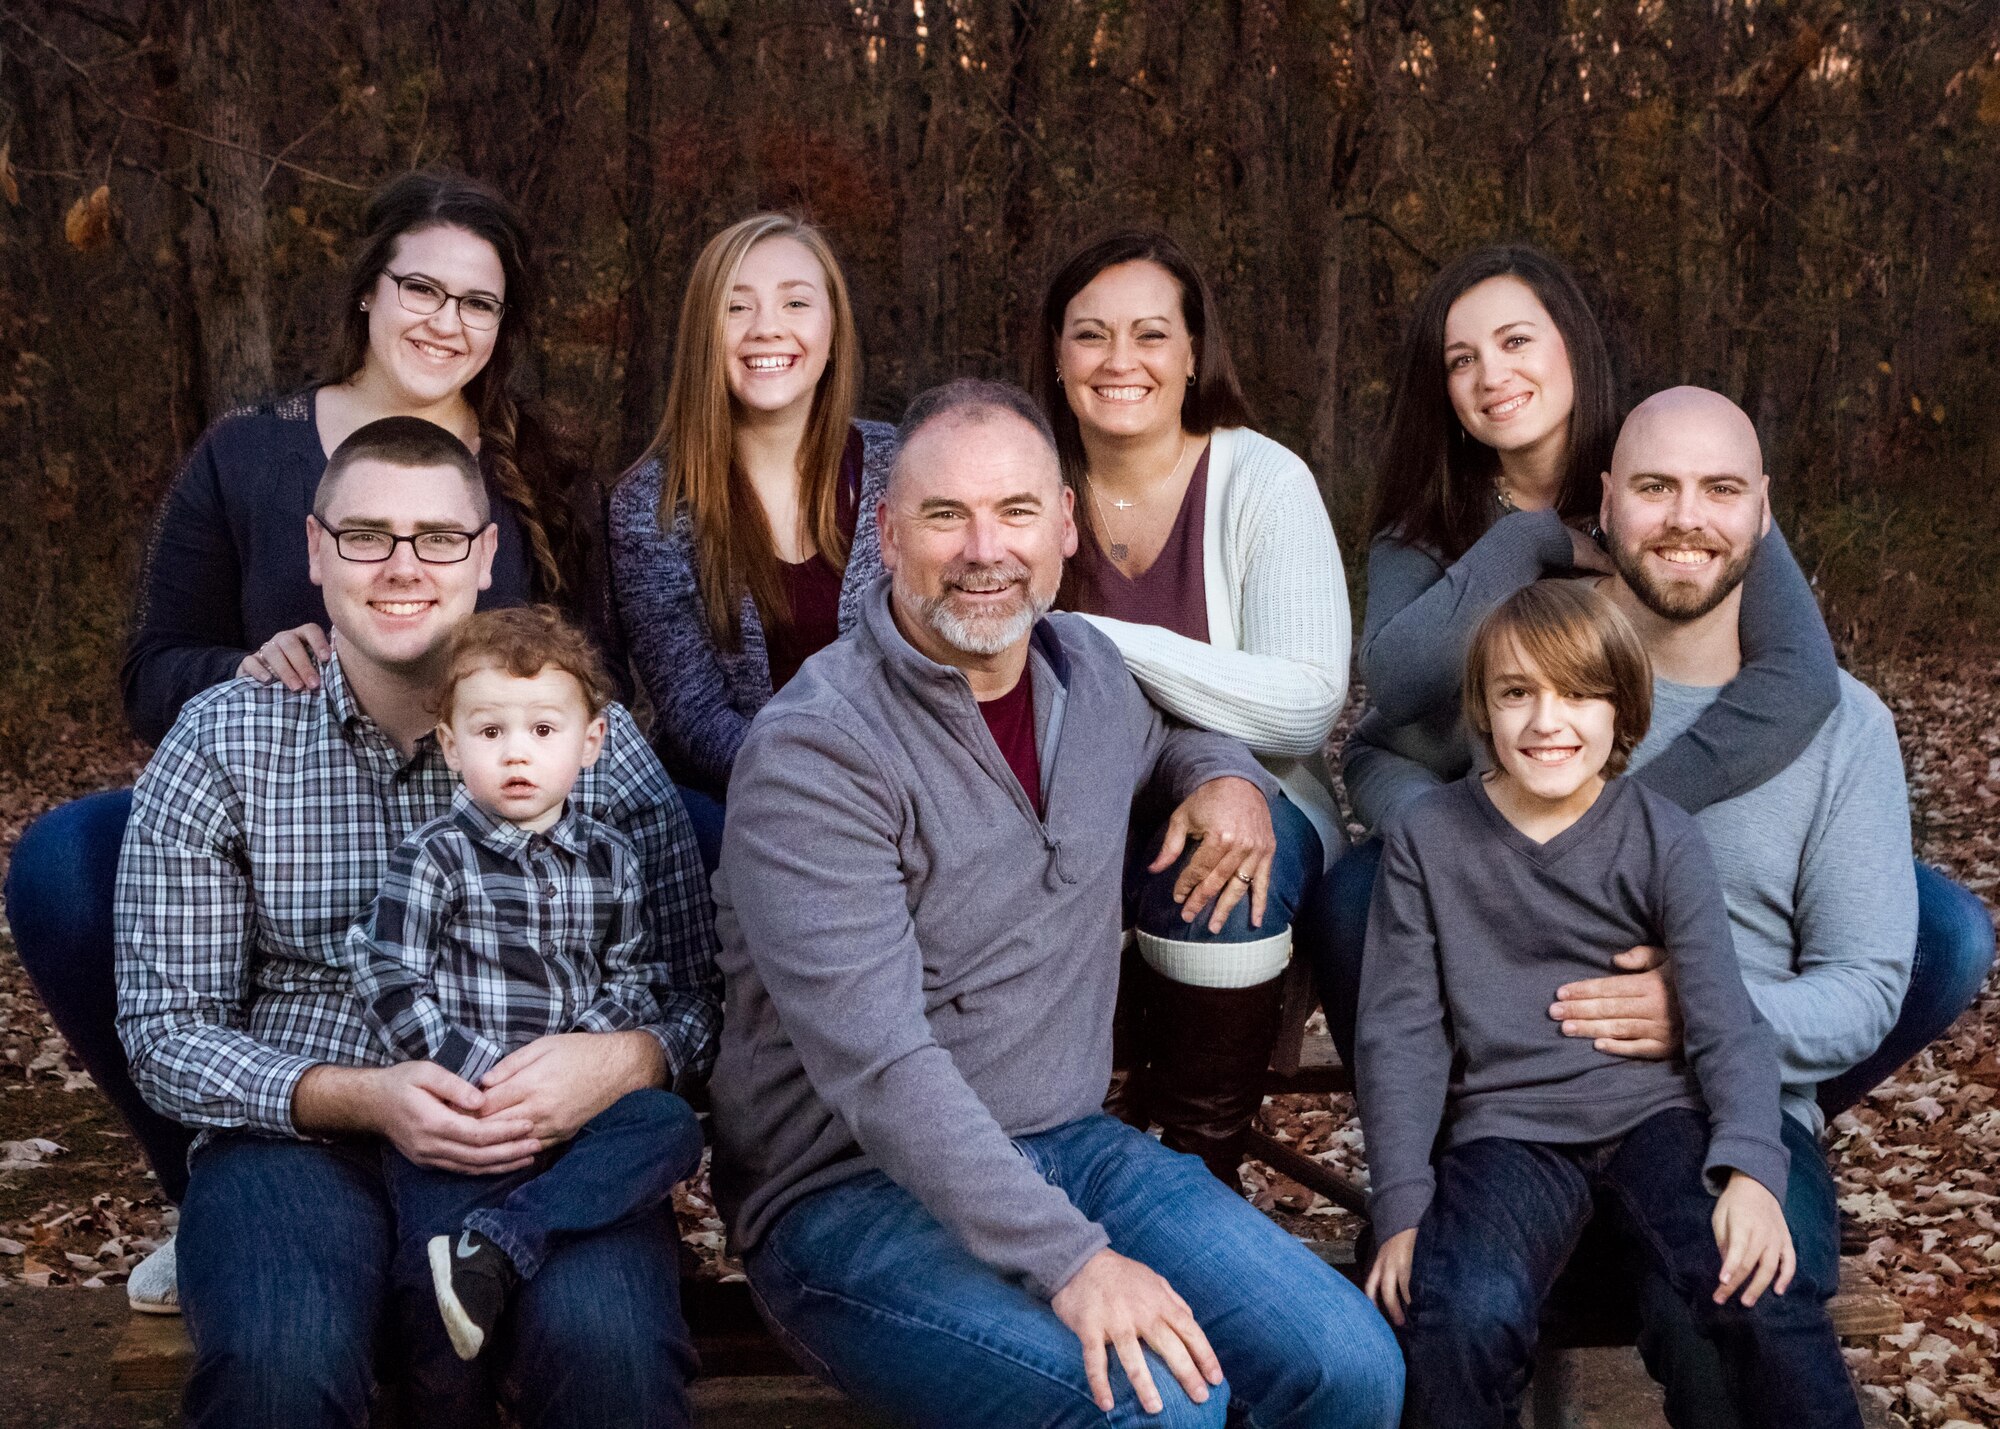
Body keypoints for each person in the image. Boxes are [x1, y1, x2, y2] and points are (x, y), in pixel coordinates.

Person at [708, 379, 1402, 1429]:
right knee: (1156, 1415)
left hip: (1071, 1144)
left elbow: (1165, 735)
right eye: (945, 515)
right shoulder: (817, 752)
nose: (984, 548)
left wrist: (1223, 775)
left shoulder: (1087, 674)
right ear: (886, 536)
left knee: (1349, 1368)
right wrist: (1073, 1261)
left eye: (1016, 511)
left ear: (1064, 526)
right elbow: (883, 1067)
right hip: (845, 1197)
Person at [5, 168, 613, 1310]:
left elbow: (596, 662)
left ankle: (601, 1185)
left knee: (695, 828)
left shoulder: (536, 468)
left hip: (489, 816)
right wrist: (245, 663)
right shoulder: (250, 451)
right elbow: (151, 667)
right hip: (291, 805)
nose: (445, 320)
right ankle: (214, 1177)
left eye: (476, 303)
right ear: (368, 294)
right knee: (64, 860)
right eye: (419, 287)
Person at [114, 417, 717, 1428]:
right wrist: (360, 1095)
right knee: (279, 1366)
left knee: (607, 1350)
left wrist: (625, 1063)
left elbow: (699, 991)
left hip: (544, 1139)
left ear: (484, 556)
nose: (402, 565)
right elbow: (165, 1031)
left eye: (438, 537)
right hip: (299, 1141)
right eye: (366, 536)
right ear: (314, 549)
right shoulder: (224, 737)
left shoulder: (582, 741)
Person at [1312, 244, 1992, 1104]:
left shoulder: (1671, 474)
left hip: (1655, 812)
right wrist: (1533, 542)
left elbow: (1801, 677)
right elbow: (1391, 698)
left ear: (1571, 346)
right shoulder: (1427, 524)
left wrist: (1619, 820)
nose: (1493, 374)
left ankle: (1767, 1122)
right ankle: (1430, 1150)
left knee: (1951, 934)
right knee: (1355, 899)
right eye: (1462, 359)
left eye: (1517, 341)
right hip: (1497, 827)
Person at [1549, 388, 1971, 1426]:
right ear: (1604, 504)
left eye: (1718, 489)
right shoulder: (1533, 685)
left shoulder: (1842, 729)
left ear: (1761, 513)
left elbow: (1866, 985)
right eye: (1654, 487)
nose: (1686, 517)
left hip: (1731, 1131)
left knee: (1731, 1320)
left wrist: (1697, 1013)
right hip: (1534, 1126)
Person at [1356, 580, 1860, 1428]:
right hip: (1509, 1131)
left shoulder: (1664, 834)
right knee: (1460, 1312)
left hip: (1658, 1116)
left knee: (1757, 1282)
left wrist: (1749, 1168)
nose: (1547, 721)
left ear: (1622, 708)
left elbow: (1722, 1016)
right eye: (1518, 692)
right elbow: (1399, 1035)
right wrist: (1402, 1207)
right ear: (1483, 705)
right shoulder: (1429, 839)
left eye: (1579, 693)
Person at [1031, 230, 1348, 1185]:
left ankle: (1197, 1172)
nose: (1120, 361)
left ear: (1194, 352)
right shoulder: (1025, 481)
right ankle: (1044, 1179)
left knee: (1219, 876)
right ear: (1056, 354)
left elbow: (1301, 706)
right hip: (1061, 802)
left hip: (1269, 797)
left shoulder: (1262, 481)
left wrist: (1090, 635)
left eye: (1151, 334)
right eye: (1091, 335)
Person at [340, 605, 703, 1369]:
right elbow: (388, 973)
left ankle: (504, 1243)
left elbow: (637, 975)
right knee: (433, 1311)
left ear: (591, 741)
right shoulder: (435, 857)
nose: (517, 754)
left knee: (669, 1123)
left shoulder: (611, 859)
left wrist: (577, 1057)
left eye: (543, 730)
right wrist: (485, 1076)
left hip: (576, 1118)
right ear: (449, 745)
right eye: (489, 731)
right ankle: (475, 1271)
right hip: (464, 1118)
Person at [610, 213, 897, 870]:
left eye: (796, 301)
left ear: (833, 330)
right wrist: (825, 794)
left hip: (901, 797)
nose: (767, 326)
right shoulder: (652, 505)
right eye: (737, 307)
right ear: (703, 337)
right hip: (729, 815)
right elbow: (694, 714)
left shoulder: (901, 468)